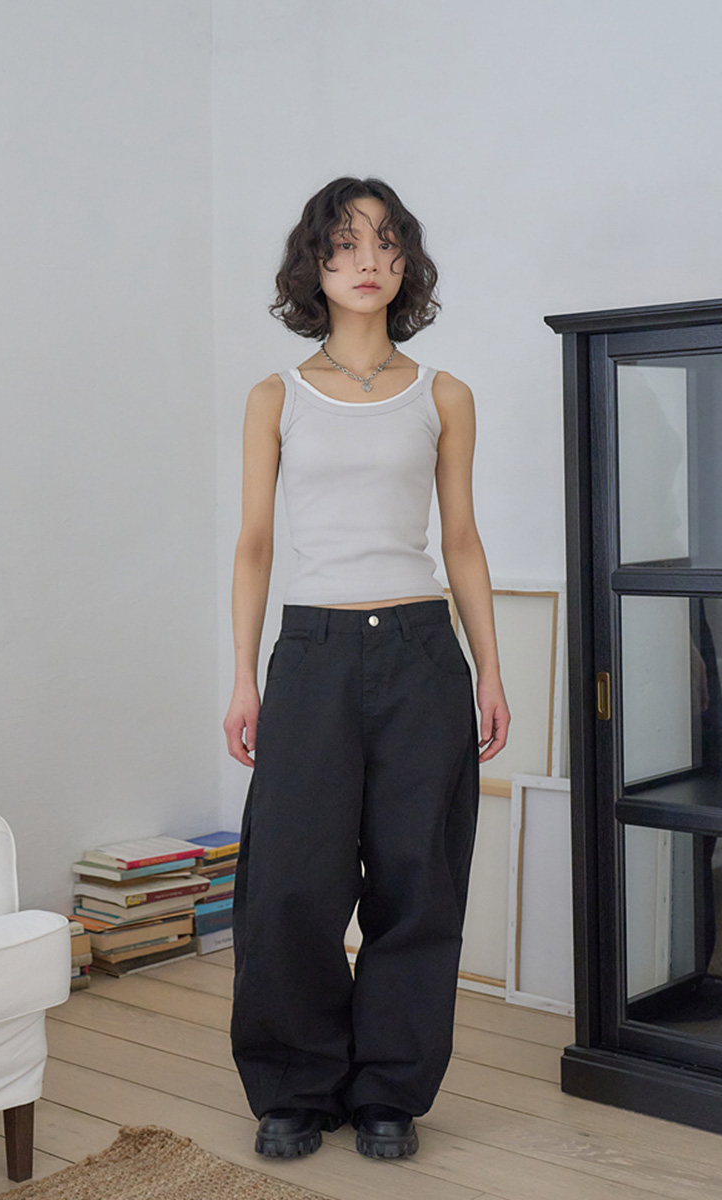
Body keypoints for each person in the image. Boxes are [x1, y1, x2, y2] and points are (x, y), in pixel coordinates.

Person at [223, 176, 509, 1162]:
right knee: (290, 880)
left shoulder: (444, 394)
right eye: (345, 244)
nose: (367, 261)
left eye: (386, 243)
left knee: (416, 878)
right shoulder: (275, 397)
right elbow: (254, 544)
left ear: (406, 262)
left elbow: (461, 540)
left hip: (420, 652)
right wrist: (243, 675)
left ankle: (390, 1091)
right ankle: (294, 1086)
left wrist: (489, 670)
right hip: (312, 652)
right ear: (315, 264)